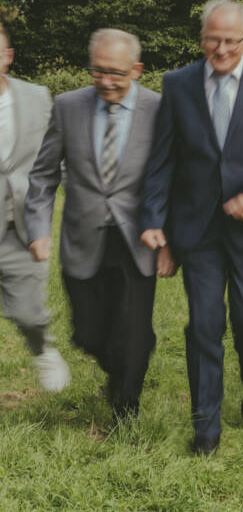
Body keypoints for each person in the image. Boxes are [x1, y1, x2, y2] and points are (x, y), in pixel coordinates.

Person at [139, 0, 243, 455]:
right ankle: (206, 428)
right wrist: (155, 222)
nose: (222, 48)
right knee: (204, 324)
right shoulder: (177, 84)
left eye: (231, 40)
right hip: (196, 228)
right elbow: (162, 161)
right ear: (202, 38)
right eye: (213, 38)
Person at [25, 29, 166, 421]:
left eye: (116, 73)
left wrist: (171, 233)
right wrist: (38, 229)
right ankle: (120, 364)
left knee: (133, 335)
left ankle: (126, 405)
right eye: (97, 71)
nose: (106, 81)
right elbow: (43, 174)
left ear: (136, 70)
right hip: (82, 236)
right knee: (88, 334)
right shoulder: (68, 106)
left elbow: (173, 173)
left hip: (138, 236)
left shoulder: (159, 108)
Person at [0, 23, 70, 394]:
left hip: (25, 221)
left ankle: (42, 349)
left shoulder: (38, 97)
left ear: (8, 57)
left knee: (27, 311)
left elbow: (56, 155)